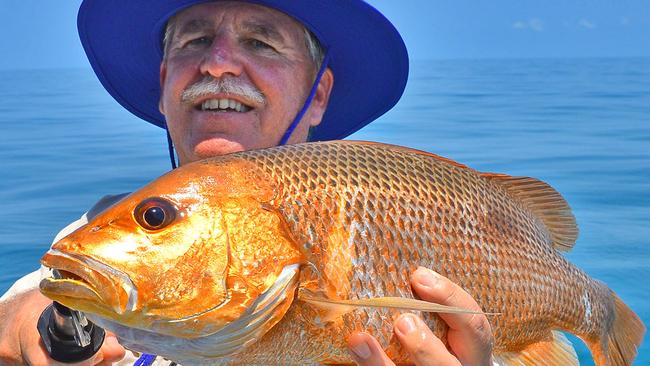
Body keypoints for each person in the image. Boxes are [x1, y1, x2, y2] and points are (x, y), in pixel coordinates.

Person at [0, 1, 494, 365]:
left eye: (259, 43)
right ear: (165, 81)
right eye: (194, 41)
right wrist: (33, 318)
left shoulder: (422, 209)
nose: (217, 63)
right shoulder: (94, 230)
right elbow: (29, 305)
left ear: (318, 94)